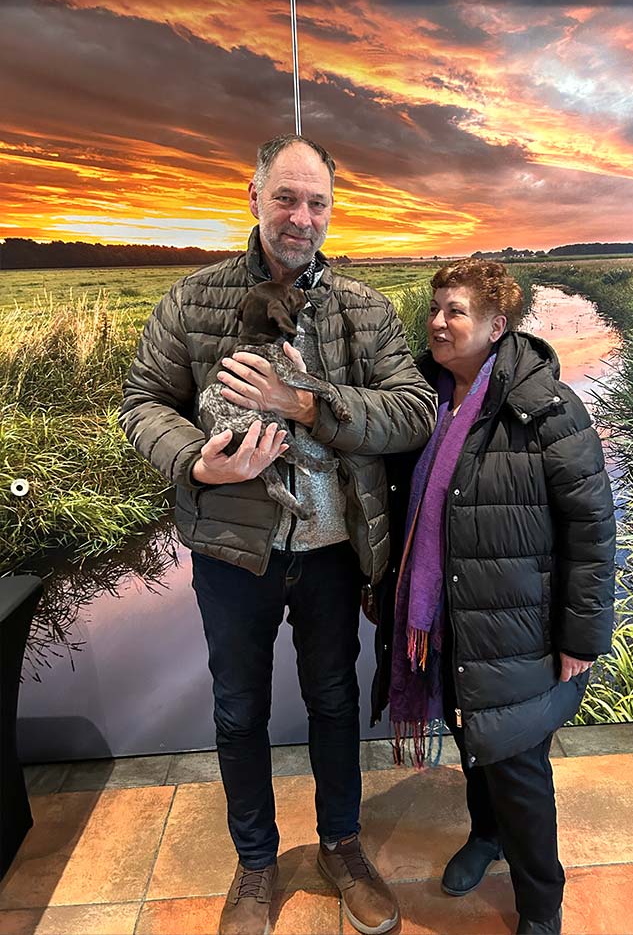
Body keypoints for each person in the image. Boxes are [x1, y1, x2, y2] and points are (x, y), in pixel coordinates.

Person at [120, 134, 436, 935]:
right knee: (239, 709)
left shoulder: (365, 307)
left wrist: (305, 403)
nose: (302, 216)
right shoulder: (192, 300)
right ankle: (256, 862)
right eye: (287, 197)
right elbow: (141, 402)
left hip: (333, 554)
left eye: (317, 201)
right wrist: (198, 463)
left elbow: (414, 411)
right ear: (254, 196)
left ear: (332, 209)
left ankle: (342, 846)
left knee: (334, 699)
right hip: (233, 554)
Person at [377, 259, 616, 935]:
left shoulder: (547, 409)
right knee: (473, 739)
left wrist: (580, 637)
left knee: (518, 768)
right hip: (448, 619)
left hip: (518, 628)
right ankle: (487, 837)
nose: (437, 322)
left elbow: (592, 529)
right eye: (434, 308)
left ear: (496, 325)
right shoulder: (421, 401)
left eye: (454, 311)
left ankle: (541, 905)